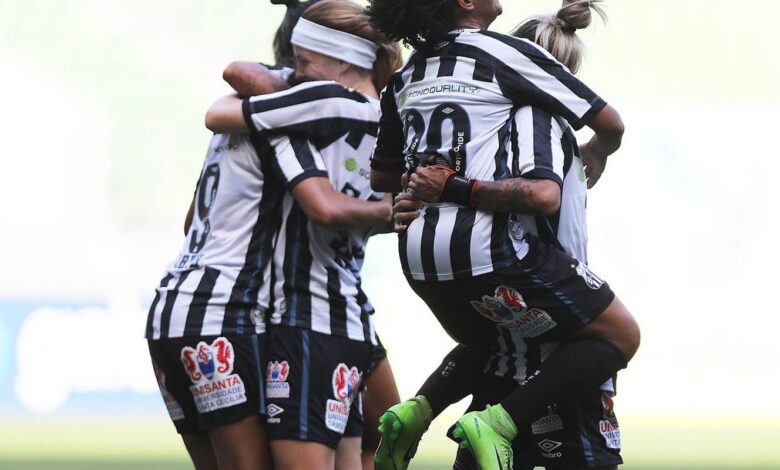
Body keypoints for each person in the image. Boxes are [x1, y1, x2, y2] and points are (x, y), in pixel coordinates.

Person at [367, 0, 640, 468]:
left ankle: (422, 409)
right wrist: (599, 149)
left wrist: (420, 189)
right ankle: (496, 422)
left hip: (424, 258)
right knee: (617, 335)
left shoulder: (410, 77)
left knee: (490, 338)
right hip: (526, 315)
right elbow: (544, 195)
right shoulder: (532, 106)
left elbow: (383, 177)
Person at [204, 1, 402, 468]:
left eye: (303, 62)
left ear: (342, 60)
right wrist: (389, 211)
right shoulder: (394, 118)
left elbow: (220, 107)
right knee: (373, 440)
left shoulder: (321, 101)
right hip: (344, 307)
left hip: (308, 313)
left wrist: (281, 84)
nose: (296, 72)